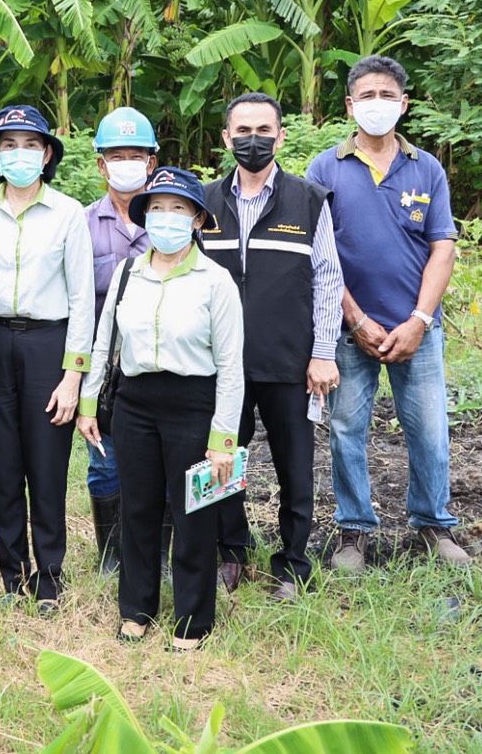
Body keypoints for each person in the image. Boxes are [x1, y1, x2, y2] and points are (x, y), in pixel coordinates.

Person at [306, 55, 470, 570]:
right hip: (346, 328)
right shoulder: (325, 168)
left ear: (404, 104)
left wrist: (419, 320)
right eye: (367, 96)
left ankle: (433, 525)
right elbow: (319, 255)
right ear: (350, 105)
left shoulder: (426, 168)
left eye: (387, 95)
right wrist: (355, 319)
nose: (376, 104)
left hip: (416, 328)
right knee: (346, 429)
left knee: (429, 429)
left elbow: (442, 248)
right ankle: (353, 530)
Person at [76, 166, 244, 649]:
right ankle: (136, 609)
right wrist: (88, 405)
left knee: (193, 515)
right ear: (145, 216)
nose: (166, 217)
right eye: (157, 208)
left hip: (193, 404)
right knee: (138, 509)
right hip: (135, 404)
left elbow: (231, 365)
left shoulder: (216, 281)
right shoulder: (130, 273)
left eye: (178, 208)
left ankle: (193, 619)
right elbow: (105, 340)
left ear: (197, 219)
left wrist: (223, 439)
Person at [204, 92, 343, 601]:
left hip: (289, 361)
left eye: (264, 130)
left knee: (295, 468)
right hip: (221, 364)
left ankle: (292, 563)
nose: (253, 140)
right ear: (226, 138)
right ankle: (231, 553)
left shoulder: (308, 200)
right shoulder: (203, 202)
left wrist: (323, 352)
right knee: (222, 460)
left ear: (281, 136)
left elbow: (328, 279)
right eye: (243, 131)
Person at [0, 105, 95, 615]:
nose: (20, 154)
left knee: (46, 465)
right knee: (4, 465)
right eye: (9, 145)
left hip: (47, 345)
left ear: (47, 154)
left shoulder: (68, 212)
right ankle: (12, 573)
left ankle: (50, 575)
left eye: (31, 145)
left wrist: (72, 376)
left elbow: (82, 297)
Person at [81, 107, 158, 577]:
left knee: (161, 461)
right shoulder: (82, 224)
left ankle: (159, 555)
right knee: (105, 461)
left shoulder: (172, 219)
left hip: (160, 364)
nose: (126, 163)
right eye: (116, 155)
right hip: (104, 368)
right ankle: (112, 555)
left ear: (151, 162)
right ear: (101, 164)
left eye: (135, 155)